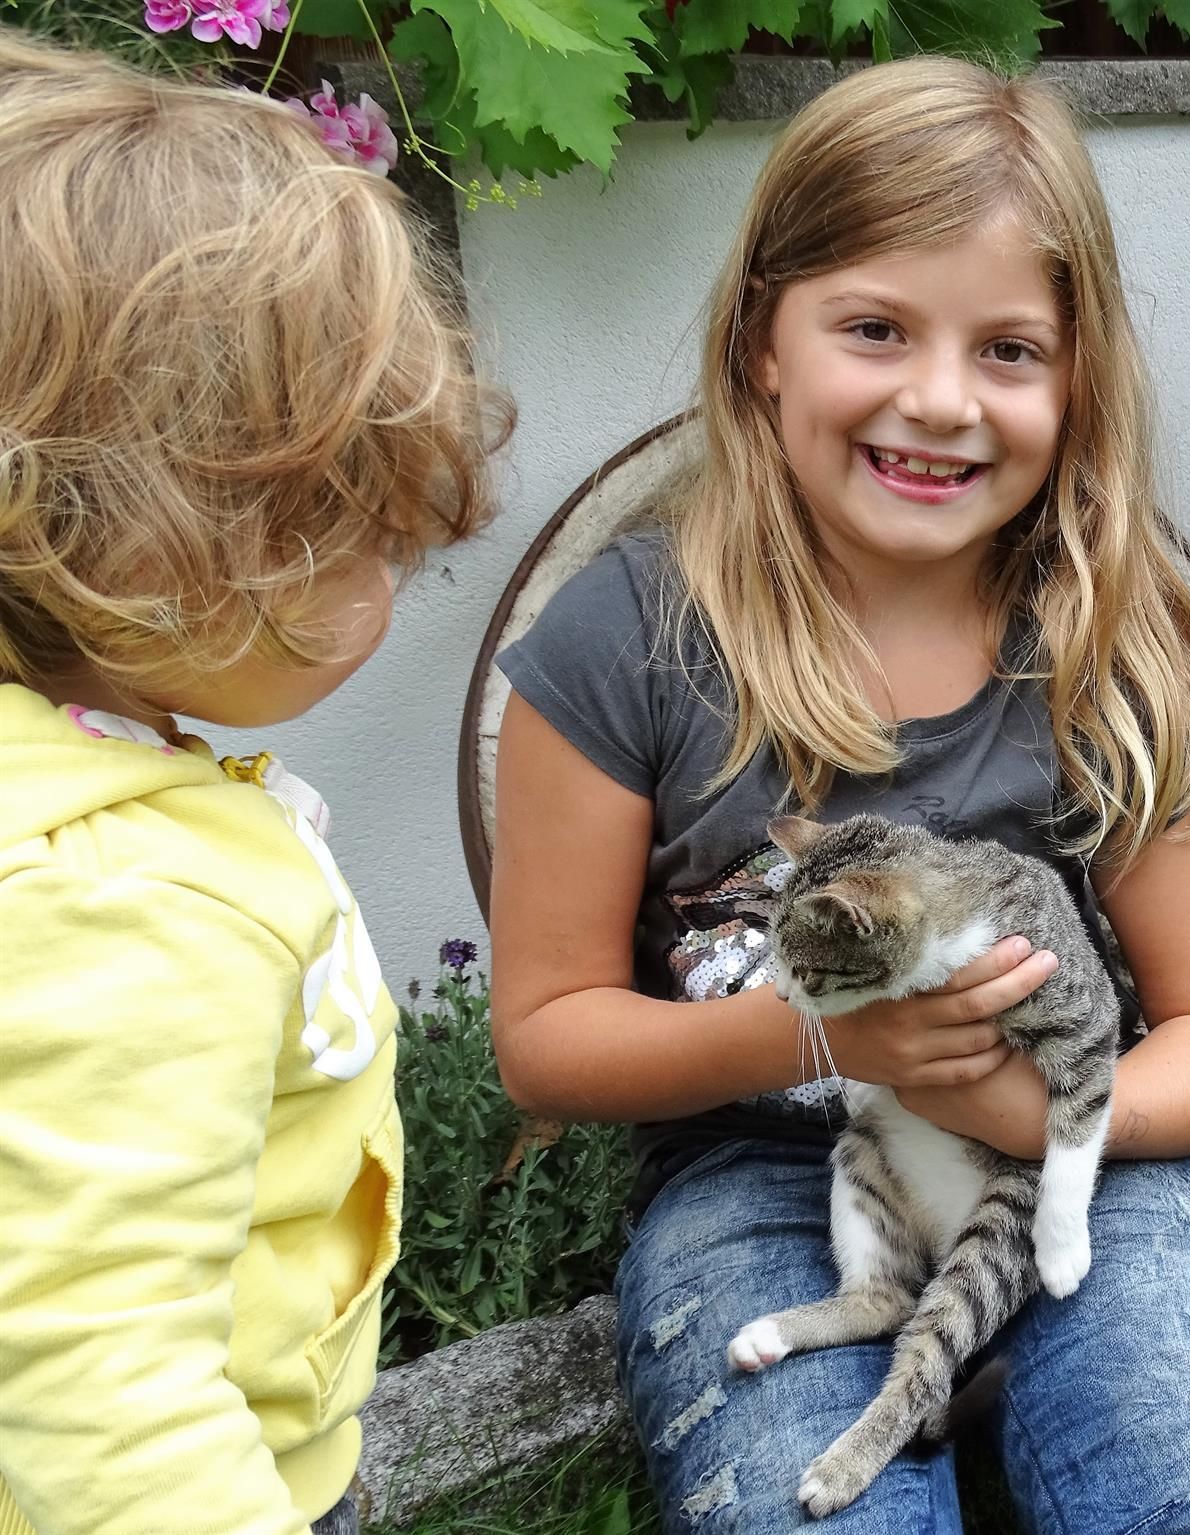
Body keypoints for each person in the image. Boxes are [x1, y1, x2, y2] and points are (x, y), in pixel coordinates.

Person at [488, 55, 1190, 1535]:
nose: (939, 401)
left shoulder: (1108, 642)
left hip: (1083, 1158)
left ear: (1076, 379)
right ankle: (951, 1377)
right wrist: (822, 1032)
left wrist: (1024, 1106)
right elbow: (547, 1040)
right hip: (766, 1172)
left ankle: (1025, 1373)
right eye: (875, 328)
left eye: (1008, 349)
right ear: (762, 341)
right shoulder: (625, 639)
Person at [0, 28, 503, 1535]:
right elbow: (101, 1390)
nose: (399, 566)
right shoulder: (123, 902)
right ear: (131, 527)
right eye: (359, 522)